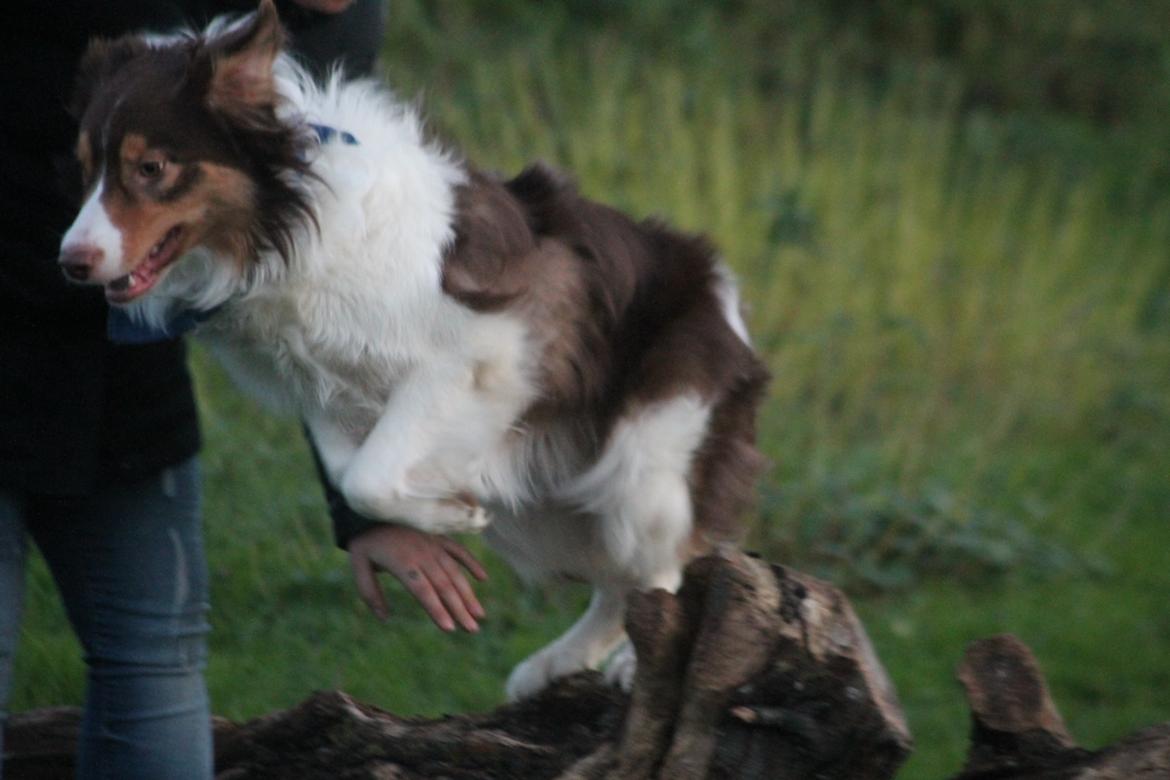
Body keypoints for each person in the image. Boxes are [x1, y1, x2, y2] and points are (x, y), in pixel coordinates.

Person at [0, 2, 484, 777]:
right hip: (43, 317)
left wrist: (364, 502)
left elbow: (311, 264)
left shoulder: (317, 38)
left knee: (153, 665)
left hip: (120, 387)